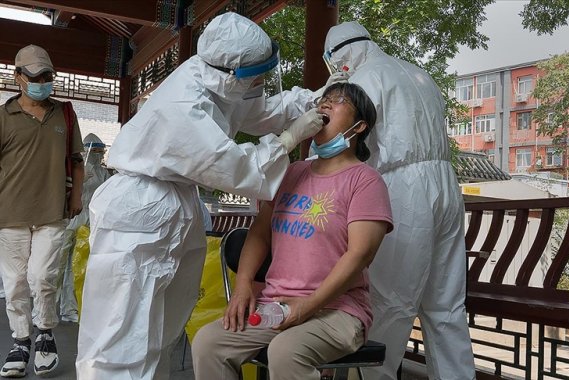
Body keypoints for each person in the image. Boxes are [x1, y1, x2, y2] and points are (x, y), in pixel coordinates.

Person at [75, 12, 325, 380]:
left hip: (174, 205)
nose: (258, 82)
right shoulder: (184, 108)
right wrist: (288, 140)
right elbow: (236, 168)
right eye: (254, 74)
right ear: (229, 73)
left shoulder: (214, 79)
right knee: (122, 339)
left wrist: (312, 100)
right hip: (141, 210)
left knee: (160, 332)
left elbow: (255, 111)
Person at [191, 82, 393, 380]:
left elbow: (360, 255)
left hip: (338, 311)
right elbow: (259, 233)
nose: (325, 104)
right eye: (323, 98)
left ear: (359, 126)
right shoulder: (292, 172)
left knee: (286, 351)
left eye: (338, 101)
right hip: (276, 305)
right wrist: (244, 283)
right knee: (209, 342)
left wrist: (307, 307)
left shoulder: (366, 181)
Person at [322, 22, 476, 379]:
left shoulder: (359, 81)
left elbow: (335, 142)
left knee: (390, 301)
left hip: (399, 188)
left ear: (339, 58)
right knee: (446, 305)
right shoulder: (418, 73)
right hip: (446, 187)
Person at [0, 44, 85, 378]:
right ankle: (21, 340)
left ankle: (46, 334)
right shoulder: (3, 117)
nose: (41, 81)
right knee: (16, 282)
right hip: (10, 214)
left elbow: (77, 161)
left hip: (53, 211)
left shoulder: (64, 113)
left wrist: (76, 196)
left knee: (41, 277)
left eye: (46, 75)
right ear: (18, 76)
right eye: (33, 75)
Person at [57, 133, 110, 323]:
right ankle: (45, 307)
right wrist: (79, 181)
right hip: (70, 221)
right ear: (87, 151)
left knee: (76, 266)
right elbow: (61, 192)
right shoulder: (76, 169)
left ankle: (68, 308)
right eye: (95, 151)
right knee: (58, 265)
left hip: (88, 223)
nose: (99, 155)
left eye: (100, 152)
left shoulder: (103, 173)